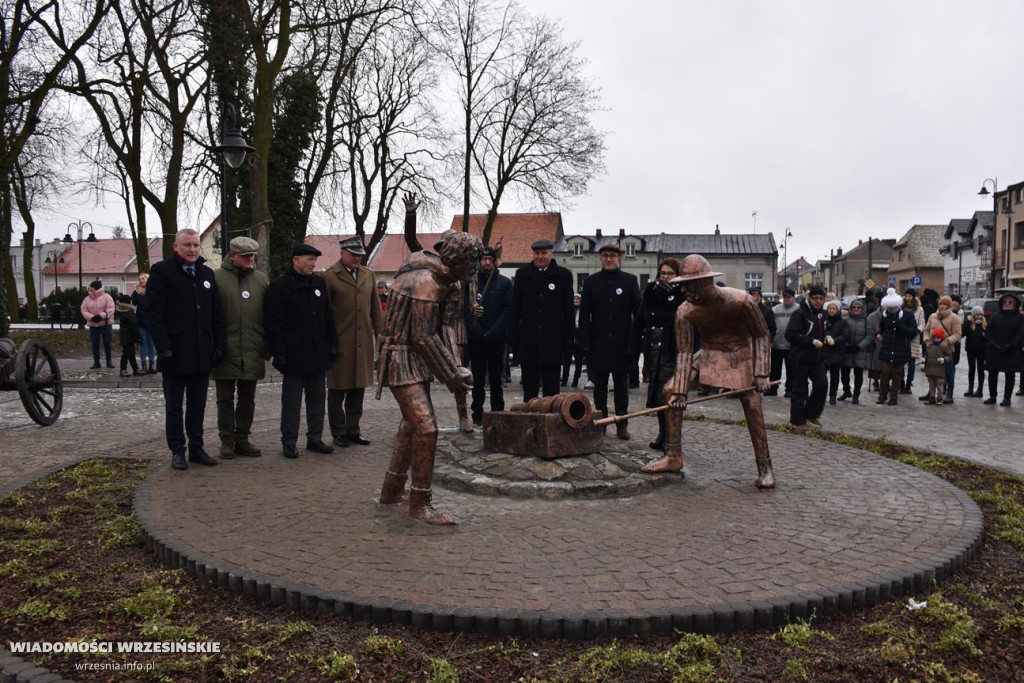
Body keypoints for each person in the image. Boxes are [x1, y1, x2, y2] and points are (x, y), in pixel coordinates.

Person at [640, 255, 775, 489]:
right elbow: (684, 352)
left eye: (688, 285)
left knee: (752, 403)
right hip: (709, 353)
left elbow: (762, 335)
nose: (684, 290)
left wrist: (762, 372)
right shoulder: (685, 311)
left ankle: (765, 467)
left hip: (741, 352)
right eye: (682, 285)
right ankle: (673, 456)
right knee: (670, 390)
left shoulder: (741, 300)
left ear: (704, 282)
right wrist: (680, 391)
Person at [376, 231, 483, 525]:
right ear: (458, 260)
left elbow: (442, 329)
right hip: (401, 356)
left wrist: (452, 364)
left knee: (411, 426)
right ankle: (420, 504)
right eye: (472, 263)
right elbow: (423, 336)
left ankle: (391, 491)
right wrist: (450, 375)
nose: (475, 269)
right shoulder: (427, 282)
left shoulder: (442, 277)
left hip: (412, 356)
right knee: (427, 429)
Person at [147, 228, 227, 471]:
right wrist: (163, 348)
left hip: (202, 353)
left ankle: (197, 447)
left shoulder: (206, 273)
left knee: (197, 406)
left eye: (195, 245)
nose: (193, 249)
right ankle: (177, 450)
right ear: (176, 247)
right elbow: (154, 314)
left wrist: (219, 345)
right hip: (174, 354)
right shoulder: (162, 272)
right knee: (174, 406)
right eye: (188, 245)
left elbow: (217, 314)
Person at [264, 243, 338, 458]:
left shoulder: (318, 283)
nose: (313, 264)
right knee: (292, 403)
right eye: (309, 260)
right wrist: (279, 353)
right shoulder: (279, 286)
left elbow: (327, 317)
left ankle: (315, 438)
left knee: (317, 400)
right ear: (296, 260)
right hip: (293, 355)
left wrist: (332, 344)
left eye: (315, 260)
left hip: (318, 353)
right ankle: (289, 441)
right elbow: (273, 325)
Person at [210, 236, 269, 459]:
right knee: (224, 399)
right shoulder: (216, 279)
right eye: (245, 256)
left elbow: (268, 315)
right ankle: (226, 440)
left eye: (252, 256)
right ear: (233, 256)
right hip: (225, 350)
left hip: (252, 348)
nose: (250, 260)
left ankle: (242, 438)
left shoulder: (261, 280)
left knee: (247, 399)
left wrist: (268, 345)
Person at [324, 236, 385, 447]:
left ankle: (353, 430)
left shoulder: (368, 275)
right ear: (342, 253)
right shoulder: (330, 277)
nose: (357, 259)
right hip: (340, 343)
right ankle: (338, 431)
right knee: (337, 390)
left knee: (358, 389)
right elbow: (324, 314)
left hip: (363, 342)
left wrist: (382, 336)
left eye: (360, 255)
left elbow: (376, 310)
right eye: (353, 255)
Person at [579, 244, 642, 439]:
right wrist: (585, 343)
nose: (608, 259)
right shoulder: (590, 282)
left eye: (612, 256)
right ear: (600, 259)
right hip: (598, 345)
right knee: (600, 388)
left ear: (619, 258)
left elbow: (638, 314)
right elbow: (584, 317)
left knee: (621, 387)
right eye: (605, 256)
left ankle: (622, 424)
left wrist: (634, 342)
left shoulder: (630, 281)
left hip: (622, 346)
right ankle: (602, 421)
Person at [508, 238, 575, 401]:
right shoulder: (522, 274)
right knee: (529, 392)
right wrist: (514, 343)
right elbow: (515, 311)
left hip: (553, 342)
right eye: (537, 253)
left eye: (544, 253)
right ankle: (531, 423)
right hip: (528, 342)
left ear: (551, 253)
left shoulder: (563, 276)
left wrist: (568, 344)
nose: (540, 257)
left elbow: (568, 313)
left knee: (551, 393)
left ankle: (550, 424)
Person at [629, 257, 684, 450]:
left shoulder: (683, 294)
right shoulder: (651, 292)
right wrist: (633, 350)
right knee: (657, 394)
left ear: (677, 275)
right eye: (663, 273)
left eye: (671, 273)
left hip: (673, 349)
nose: (666, 277)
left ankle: (672, 436)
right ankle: (663, 432)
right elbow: (639, 322)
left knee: (670, 395)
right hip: (653, 349)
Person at [466, 245, 512, 425]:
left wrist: (494, 331)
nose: (486, 262)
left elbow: (508, 310)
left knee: (496, 378)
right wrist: (476, 330)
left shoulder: (505, 283)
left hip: (496, 338)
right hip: (476, 339)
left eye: (489, 259)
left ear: (494, 261)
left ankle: (497, 412)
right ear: (479, 261)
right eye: (483, 259)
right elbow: (466, 309)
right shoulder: (471, 283)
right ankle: (477, 413)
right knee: (477, 379)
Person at [785, 285, 829, 430]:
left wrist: (828, 336)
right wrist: (810, 341)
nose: (818, 301)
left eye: (821, 298)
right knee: (800, 389)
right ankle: (797, 420)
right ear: (809, 297)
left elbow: (825, 329)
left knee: (822, 385)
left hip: (817, 358)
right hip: (800, 356)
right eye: (815, 298)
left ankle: (811, 413)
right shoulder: (800, 313)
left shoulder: (822, 314)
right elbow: (790, 335)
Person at [873, 287, 918, 406]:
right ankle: (882, 395)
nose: (890, 309)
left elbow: (913, 332)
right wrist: (878, 334)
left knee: (897, 374)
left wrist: (900, 326)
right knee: (884, 373)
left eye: (891, 307)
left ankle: (894, 396)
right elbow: (881, 327)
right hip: (887, 346)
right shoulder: (885, 315)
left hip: (901, 347)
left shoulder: (907, 315)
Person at [983, 293, 1024, 406]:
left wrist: (1011, 345)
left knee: (1010, 375)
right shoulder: (995, 316)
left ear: (1015, 304)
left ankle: (1007, 398)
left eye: (1010, 302)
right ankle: (992, 396)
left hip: (1011, 351)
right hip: (995, 350)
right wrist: (994, 344)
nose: (1007, 304)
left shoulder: (1020, 317)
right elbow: (988, 331)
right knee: (992, 373)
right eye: (1005, 302)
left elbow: (1021, 334)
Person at [921, 295, 962, 405]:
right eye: (941, 304)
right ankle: (931, 393)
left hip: (946, 349)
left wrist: (947, 341)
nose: (943, 306)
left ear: (949, 306)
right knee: (932, 372)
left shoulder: (954, 318)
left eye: (945, 304)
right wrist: (927, 340)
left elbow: (957, 334)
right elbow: (926, 330)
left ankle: (949, 393)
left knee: (948, 373)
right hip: (932, 349)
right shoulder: (932, 316)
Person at [839, 298, 872, 404]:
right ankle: (846, 391)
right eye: (854, 307)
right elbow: (841, 334)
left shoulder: (867, 321)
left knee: (858, 374)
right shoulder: (845, 320)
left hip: (860, 350)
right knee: (844, 373)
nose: (856, 309)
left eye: (858, 308)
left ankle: (856, 394)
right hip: (847, 350)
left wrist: (859, 346)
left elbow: (869, 336)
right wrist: (847, 345)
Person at [769, 289, 799, 397]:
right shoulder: (775, 309)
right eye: (785, 297)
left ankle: (790, 390)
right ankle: (772, 388)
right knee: (774, 369)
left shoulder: (798, 310)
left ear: (793, 298)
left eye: (788, 297)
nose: (786, 299)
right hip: (776, 344)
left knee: (791, 370)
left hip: (791, 345)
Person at [80, 280, 115, 369]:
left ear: (96, 289)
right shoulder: (87, 299)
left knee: (107, 343)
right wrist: (91, 317)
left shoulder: (107, 297)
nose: (89, 290)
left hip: (106, 324)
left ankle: (109, 361)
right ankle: (96, 362)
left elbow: (110, 309)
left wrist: (101, 316)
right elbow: (83, 310)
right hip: (93, 324)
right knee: (94, 343)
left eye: (91, 288)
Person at [822, 300, 848, 405]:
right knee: (821, 376)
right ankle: (821, 394)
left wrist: (835, 340)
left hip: (837, 351)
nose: (831, 310)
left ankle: (833, 395)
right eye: (830, 308)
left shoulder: (842, 322)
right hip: (824, 351)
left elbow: (845, 335)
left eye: (834, 309)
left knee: (835, 375)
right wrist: (825, 338)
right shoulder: (823, 320)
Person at [900, 289, 925, 395]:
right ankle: (901, 383)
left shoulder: (919, 309)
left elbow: (922, 323)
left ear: (914, 297)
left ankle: (908, 383)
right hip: (902, 338)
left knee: (911, 362)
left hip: (914, 338)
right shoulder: (900, 308)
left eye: (910, 296)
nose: (908, 298)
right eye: (906, 295)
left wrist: (916, 331)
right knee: (900, 362)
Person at [132, 274, 157, 373]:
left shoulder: (153, 290)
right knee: (143, 343)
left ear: (148, 279)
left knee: (152, 344)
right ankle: (143, 366)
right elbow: (132, 306)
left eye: (143, 278)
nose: (141, 280)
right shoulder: (136, 292)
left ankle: (151, 365)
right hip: (141, 322)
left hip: (152, 321)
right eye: (139, 279)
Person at [922, 327, 953, 405]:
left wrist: (944, 359)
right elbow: (927, 354)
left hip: (940, 370)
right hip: (930, 368)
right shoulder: (930, 345)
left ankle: (940, 397)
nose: (936, 339)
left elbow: (949, 356)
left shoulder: (944, 346)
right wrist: (924, 359)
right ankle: (931, 397)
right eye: (934, 337)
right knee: (931, 385)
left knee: (940, 385)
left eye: (937, 337)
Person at [962, 306, 987, 398]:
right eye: (976, 315)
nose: (979, 317)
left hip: (981, 351)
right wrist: (967, 321)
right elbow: (963, 332)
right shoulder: (970, 324)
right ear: (973, 316)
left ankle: (980, 390)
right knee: (971, 369)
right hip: (971, 350)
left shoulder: (985, 324)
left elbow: (989, 337)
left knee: (980, 370)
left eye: (980, 315)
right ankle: (970, 389)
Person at [561, 293, 585, 388]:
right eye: (574, 299)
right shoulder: (568, 310)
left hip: (579, 339)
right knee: (566, 361)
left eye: (578, 299)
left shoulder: (583, 311)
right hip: (569, 339)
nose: (576, 301)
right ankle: (564, 379)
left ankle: (575, 380)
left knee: (578, 362)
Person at [114, 295, 140, 377]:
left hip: (125, 335)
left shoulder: (122, 311)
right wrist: (138, 336)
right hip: (129, 336)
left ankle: (135, 368)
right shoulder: (129, 312)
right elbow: (134, 325)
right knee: (127, 353)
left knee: (130, 353)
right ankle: (123, 369)